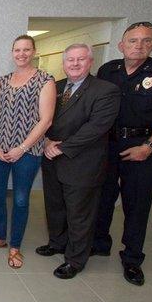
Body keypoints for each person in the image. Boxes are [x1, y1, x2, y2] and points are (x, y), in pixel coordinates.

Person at [92, 22, 152, 286]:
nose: (139, 45)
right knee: (103, 197)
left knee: (137, 205)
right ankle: (99, 243)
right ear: (122, 45)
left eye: (146, 41)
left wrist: (150, 146)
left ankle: (132, 258)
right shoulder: (108, 70)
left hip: (144, 146)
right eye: (133, 40)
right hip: (108, 146)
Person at [36, 43, 120, 279]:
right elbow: (41, 117)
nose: (74, 64)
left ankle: (75, 259)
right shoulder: (56, 87)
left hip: (82, 161)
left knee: (79, 213)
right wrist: (45, 141)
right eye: (70, 60)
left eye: (80, 59)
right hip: (51, 156)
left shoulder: (105, 90)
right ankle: (57, 243)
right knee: (55, 206)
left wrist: (61, 146)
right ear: (64, 63)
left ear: (90, 61)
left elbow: (97, 128)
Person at [0, 35, 55, 269]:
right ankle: (1, 238)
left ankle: (15, 247)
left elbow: (46, 120)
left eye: (26, 49)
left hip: (28, 152)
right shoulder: (3, 81)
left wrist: (21, 148)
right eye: (17, 50)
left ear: (33, 51)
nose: (21, 54)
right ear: (12, 52)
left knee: (21, 199)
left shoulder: (45, 80)